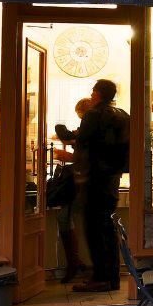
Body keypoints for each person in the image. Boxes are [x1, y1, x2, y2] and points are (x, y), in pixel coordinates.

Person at [72, 79, 129, 292]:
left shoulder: (93, 115)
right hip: (112, 179)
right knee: (107, 228)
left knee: (94, 229)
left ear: (96, 94)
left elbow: (82, 144)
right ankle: (112, 277)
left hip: (94, 179)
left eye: (93, 91)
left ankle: (100, 277)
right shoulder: (123, 115)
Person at [52, 98, 92, 283]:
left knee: (66, 219)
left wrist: (69, 155)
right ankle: (76, 262)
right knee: (67, 219)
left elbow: (89, 157)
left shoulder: (92, 128)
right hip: (83, 183)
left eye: (81, 116)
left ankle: (75, 264)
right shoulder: (90, 128)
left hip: (83, 183)